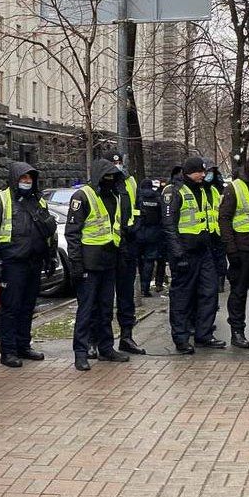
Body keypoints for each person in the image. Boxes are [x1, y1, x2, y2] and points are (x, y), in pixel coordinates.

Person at [0, 161, 58, 368]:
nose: (27, 182)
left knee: (28, 307)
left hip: (34, 261)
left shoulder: (38, 201)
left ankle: (23, 345)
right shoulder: (1, 199)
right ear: (15, 179)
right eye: (23, 178)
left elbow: (49, 231)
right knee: (11, 308)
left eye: (30, 178)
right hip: (12, 263)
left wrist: (50, 256)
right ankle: (8, 351)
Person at [65, 159, 132, 371]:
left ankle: (106, 348)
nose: (111, 180)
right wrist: (76, 264)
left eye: (114, 177)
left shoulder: (114, 196)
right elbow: (72, 233)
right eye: (107, 177)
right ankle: (81, 353)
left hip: (109, 260)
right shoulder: (82, 196)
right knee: (86, 310)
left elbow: (118, 227)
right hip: (88, 263)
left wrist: (121, 256)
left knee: (105, 309)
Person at [163, 157, 226, 353]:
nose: (203, 175)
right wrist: (178, 255)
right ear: (189, 172)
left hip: (204, 251)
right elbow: (169, 226)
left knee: (209, 293)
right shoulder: (174, 191)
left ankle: (204, 335)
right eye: (200, 172)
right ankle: (181, 339)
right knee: (182, 297)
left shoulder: (204, 190)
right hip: (185, 253)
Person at [219, 156, 249, 348]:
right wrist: (231, 249)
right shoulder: (234, 188)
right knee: (238, 293)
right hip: (241, 250)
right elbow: (225, 219)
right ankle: (237, 331)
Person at [115, 164, 147, 355]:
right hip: (108, 249)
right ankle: (96, 341)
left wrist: (135, 228)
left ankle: (126, 337)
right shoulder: (99, 185)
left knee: (126, 297)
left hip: (128, 246)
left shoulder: (131, 182)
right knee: (101, 300)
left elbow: (138, 208)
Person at [136, 178, 164, 296]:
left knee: (139, 260)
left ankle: (139, 286)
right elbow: (162, 216)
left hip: (139, 232)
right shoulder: (157, 198)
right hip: (154, 233)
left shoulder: (138, 198)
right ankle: (145, 289)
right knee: (149, 261)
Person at [205, 164, 227, 293]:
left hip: (216, 230)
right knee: (215, 258)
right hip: (210, 230)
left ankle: (219, 282)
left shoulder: (215, 189)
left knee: (218, 258)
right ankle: (217, 282)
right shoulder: (210, 189)